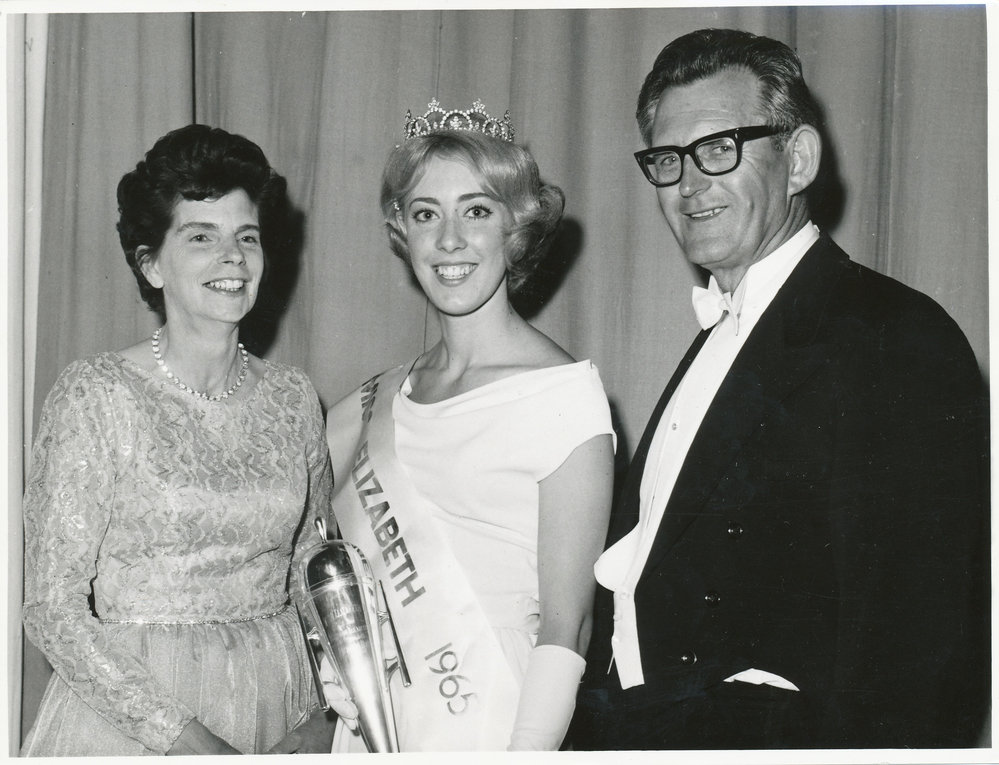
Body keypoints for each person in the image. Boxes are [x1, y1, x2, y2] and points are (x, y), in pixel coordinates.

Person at [571, 28, 989, 750]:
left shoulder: (890, 336)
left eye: (719, 149)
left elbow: (922, 659)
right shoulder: (719, 338)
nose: (689, 184)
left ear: (796, 159)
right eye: (668, 160)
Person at [21, 124, 336, 755]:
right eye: (201, 237)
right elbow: (52, 609)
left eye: (246, 237)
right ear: (151, 263)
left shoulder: (294, 397)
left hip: (280, 703)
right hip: (138, 720)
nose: (233, 257)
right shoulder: (96, 393)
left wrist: (326, 710)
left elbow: (312, 570)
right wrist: (186, 742)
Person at [322, 99, 616, 751]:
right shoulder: (366, 404)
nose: (449, 240)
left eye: (476, 211)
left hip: (494, 729)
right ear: (400, 228)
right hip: (371, 734)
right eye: (426, 213)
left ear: (516, 226)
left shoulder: (562, 396)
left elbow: (570, 630)